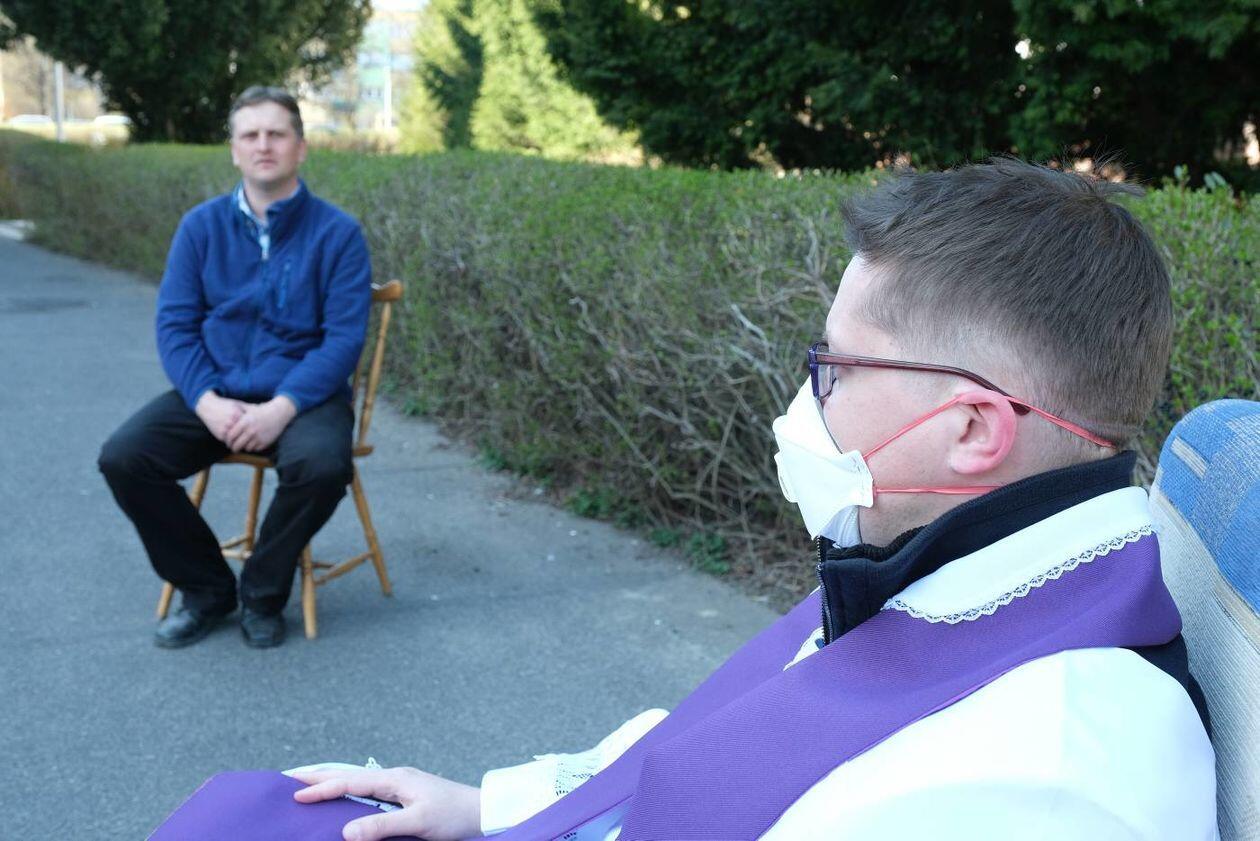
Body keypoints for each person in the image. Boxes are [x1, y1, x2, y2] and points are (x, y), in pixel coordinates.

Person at [278, 159, 1215, 839]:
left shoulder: (1050, 770)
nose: (806, 402)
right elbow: (742, 738)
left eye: (836, 368)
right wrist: (497, 805)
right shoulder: (983, 570)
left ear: (972, 429)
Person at [98, 86, 372, 650]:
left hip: (304, 397)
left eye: (277, 134)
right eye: (250, 135)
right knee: (125, 458)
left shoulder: (338, 233)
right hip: (217, 392)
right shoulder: (200, 228)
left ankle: (262, 593)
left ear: (300, 147)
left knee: (323, 465)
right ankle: (207, 590)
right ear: (234, 150)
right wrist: (205, 401)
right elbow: (175, 327)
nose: (263, 145)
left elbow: (343, 339)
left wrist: (281, 408)